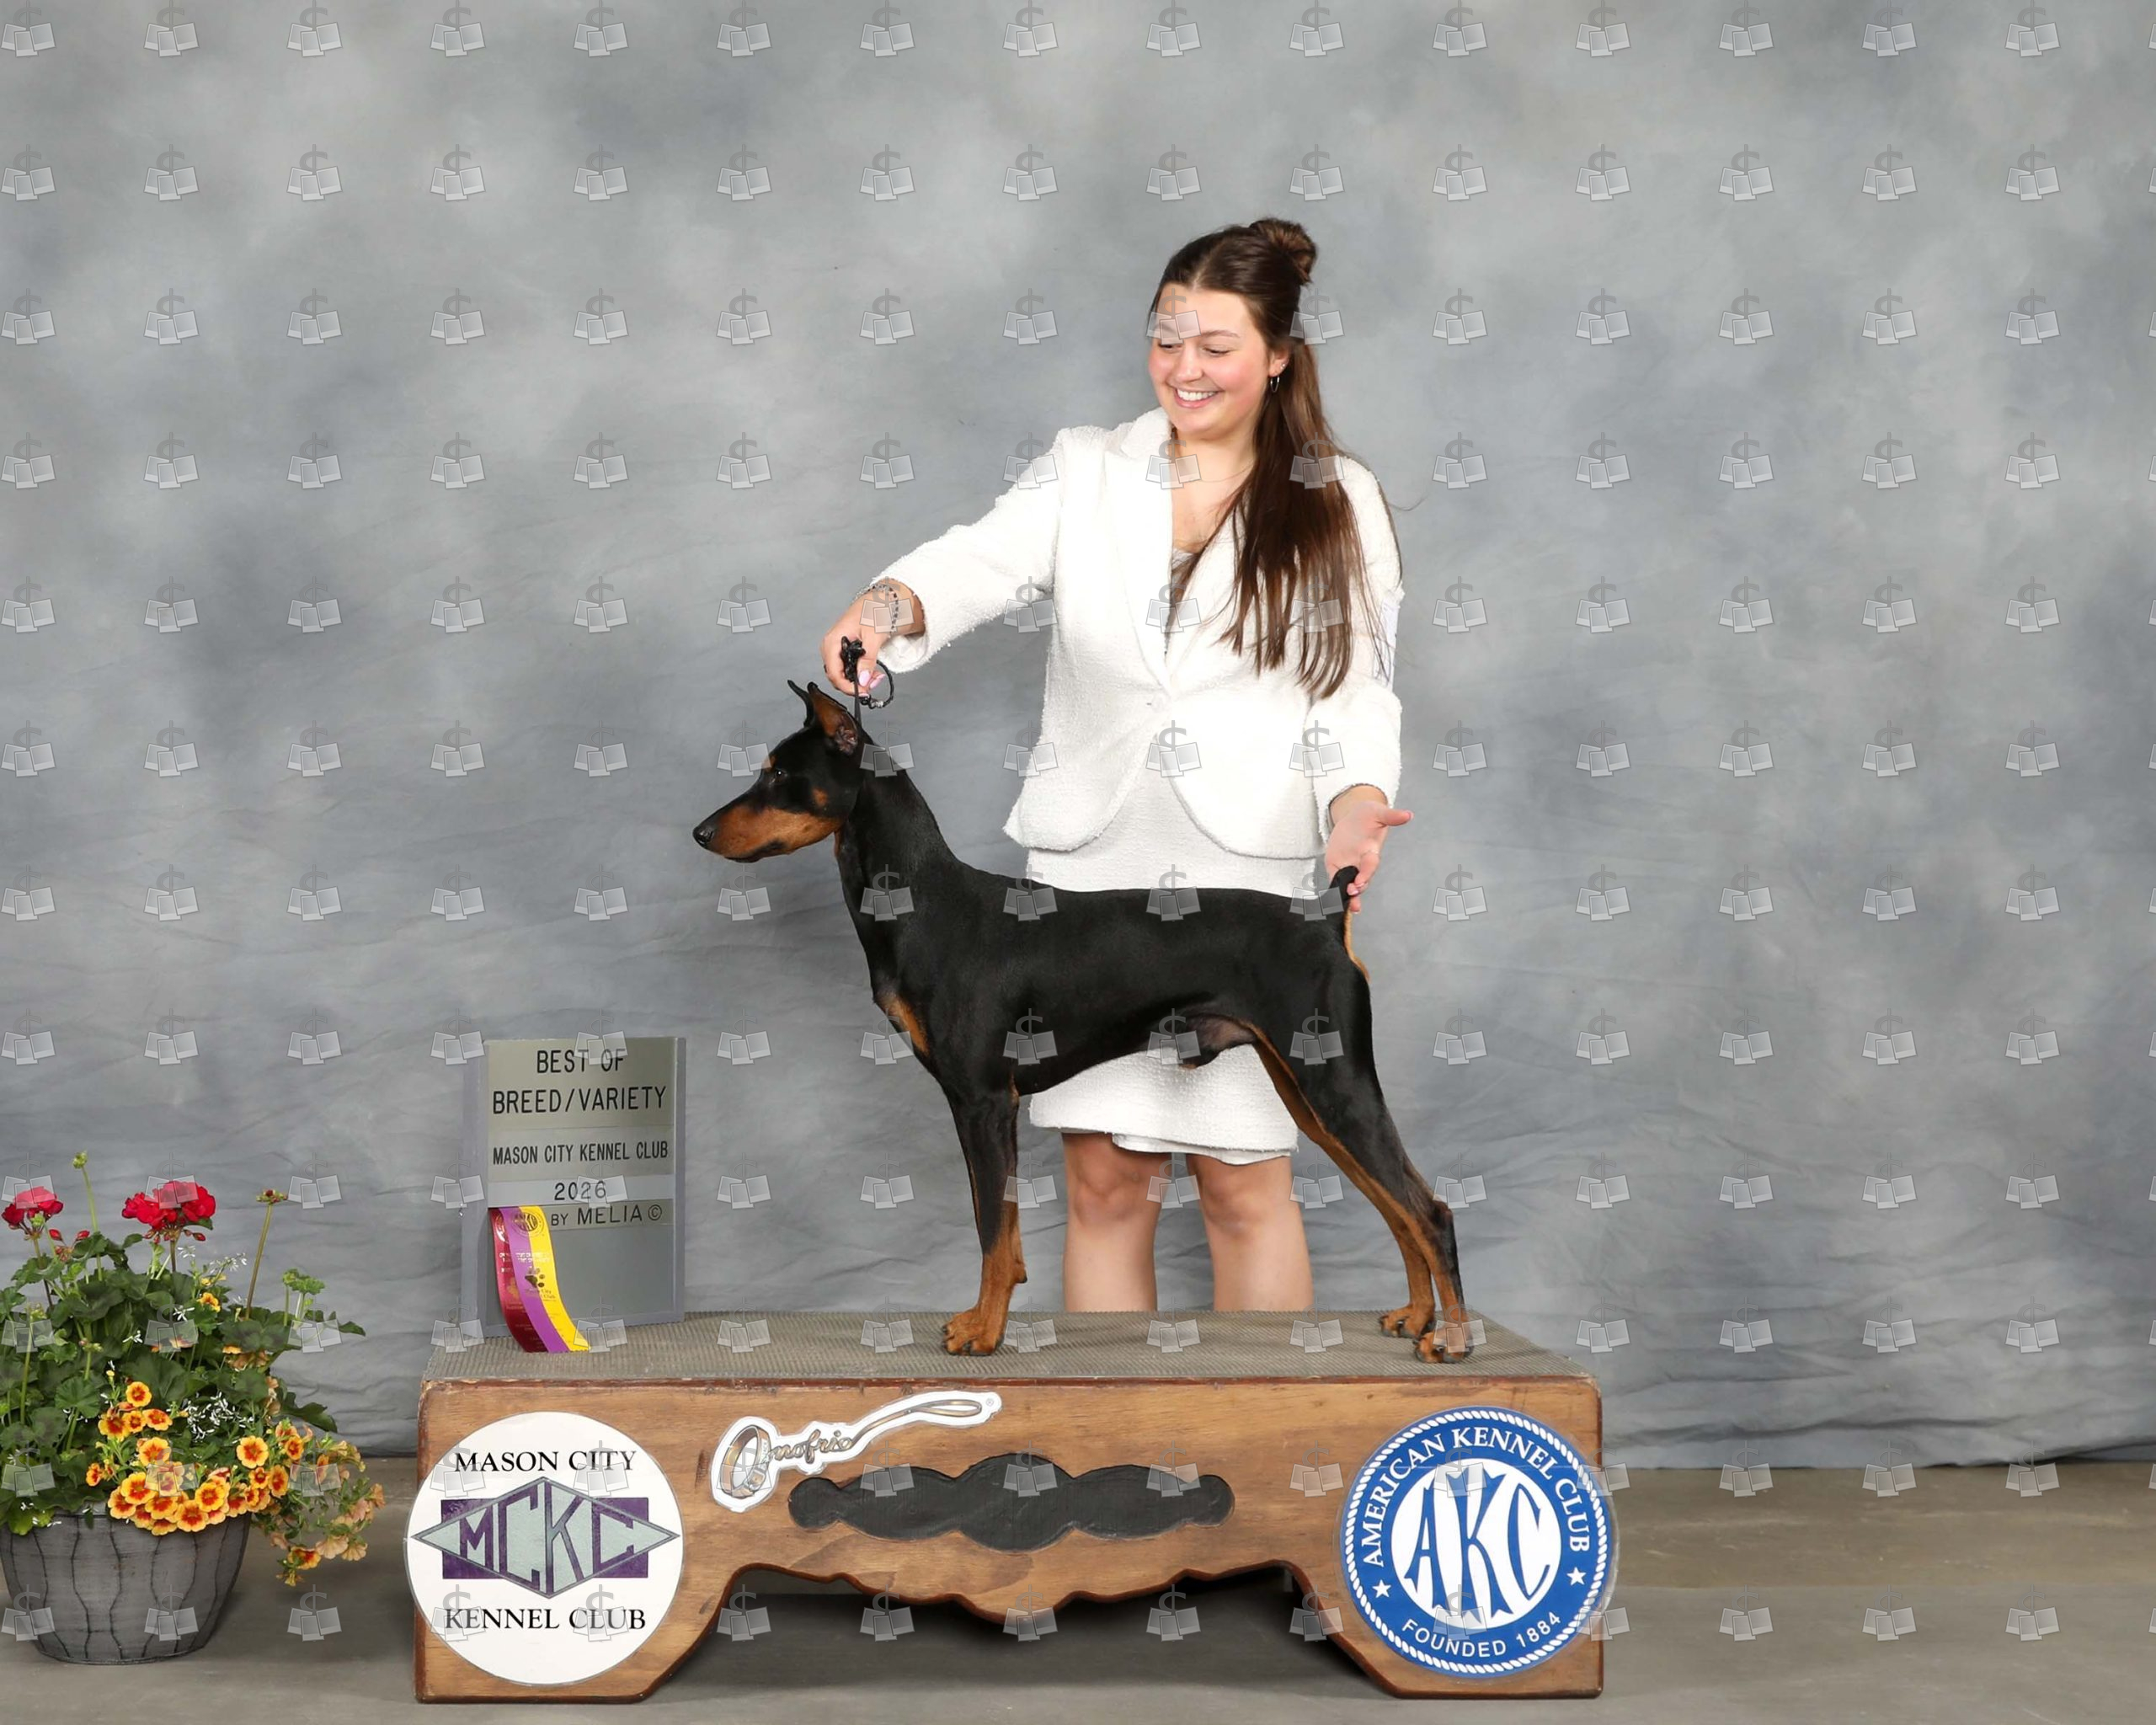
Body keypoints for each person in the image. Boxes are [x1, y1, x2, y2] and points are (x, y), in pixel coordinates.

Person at [820, 216, 1411, 1316]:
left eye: (1217, 346)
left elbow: (1357, 686)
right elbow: (979, 560)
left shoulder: (1337, 496)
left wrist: (1356, 805)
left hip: (1246, 878)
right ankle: (1119, 1426)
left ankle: (1265, 1422)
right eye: (1165, 339)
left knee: (1244, 1186)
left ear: (1280, 355)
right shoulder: (1087, 468)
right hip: (1089, 875)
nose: (1185, 368)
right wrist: (887, 605)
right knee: (1104, 1183)